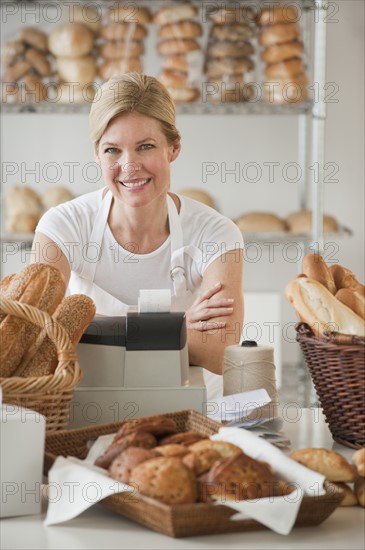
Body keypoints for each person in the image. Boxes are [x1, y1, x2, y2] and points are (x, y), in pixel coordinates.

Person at [31, 73, 244, 400]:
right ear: (97, 155)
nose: (129, 166)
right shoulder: (62, 227)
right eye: (113, 149)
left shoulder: (216, 233)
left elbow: (220, 352)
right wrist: (178, 328)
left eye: (145, 146)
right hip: (89, 412)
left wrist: (86, 328)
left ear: (173, 148)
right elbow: (40, 335)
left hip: (191, 415)